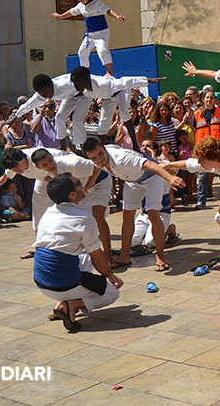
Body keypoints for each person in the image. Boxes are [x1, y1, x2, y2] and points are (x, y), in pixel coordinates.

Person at [33, 174, 123, 333]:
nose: (83, 184)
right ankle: (70, 305)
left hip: (41, 281)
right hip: (61, 284)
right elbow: (98, 257)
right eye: (79, 183)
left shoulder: (49, 212)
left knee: (85, 258)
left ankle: (60, 304)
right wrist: (111, 276)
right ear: (72, 195)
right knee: (112, 293)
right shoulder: (84, 218)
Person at [82, 137, 185, 272]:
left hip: (152, 177)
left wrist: (170, 178)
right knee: (127, 215)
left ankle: (160, 257)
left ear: (104, 147)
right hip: (132, 181)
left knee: (154, 214)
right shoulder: (97, 161)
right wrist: (89, 185)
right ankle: (124, 256)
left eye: (101, 154)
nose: (99, 159)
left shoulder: (121, 158)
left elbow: (149, 164)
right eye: (94, 158)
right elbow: (97, 168)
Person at [31, 148, 114, 260]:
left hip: (99, 183)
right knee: (75, 217)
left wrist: (89, 184)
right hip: (80, 192)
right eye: (45, 164)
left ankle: (109, 256)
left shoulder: (73, 163)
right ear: (38, 167)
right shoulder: (39, 175)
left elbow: (98, 166)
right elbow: (39, 203)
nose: (50, 165)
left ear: (52, 155)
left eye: (50, 160)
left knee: (98, 215)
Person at [52, 0, 126, 76]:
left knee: (103, 50)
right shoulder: (81, 6)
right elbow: (72, 12)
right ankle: (85, 73)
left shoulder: (97, 4)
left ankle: (109, 72)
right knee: (82, 52)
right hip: (90, 35)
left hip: (101, 34)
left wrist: (117, 16)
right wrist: (60, 16)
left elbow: (108, 11)